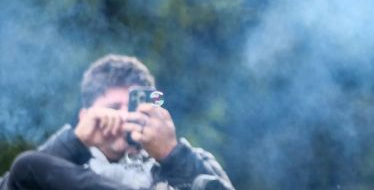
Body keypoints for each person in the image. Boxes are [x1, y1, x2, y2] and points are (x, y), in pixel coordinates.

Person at [0, 54, 234, 190]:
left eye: (132, 107)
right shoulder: (63, 166)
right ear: (85, 116)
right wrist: (74, 142)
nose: (125, 117)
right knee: (27, 166)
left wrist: (171, 154)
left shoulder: (191, 159)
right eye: (113, 108)